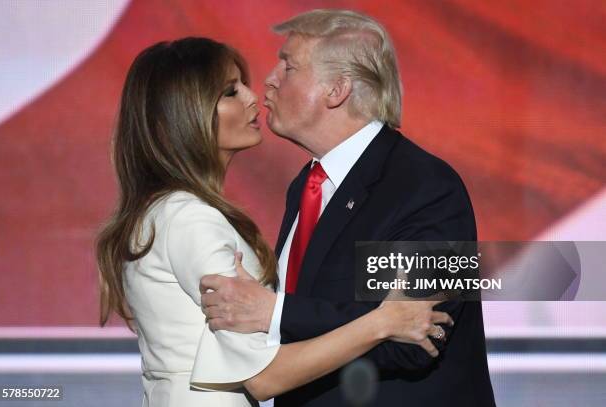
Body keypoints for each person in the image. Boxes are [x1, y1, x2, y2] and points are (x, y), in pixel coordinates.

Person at [95, 37, 452, 407]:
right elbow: (263, 376)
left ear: (339, 89)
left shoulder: (168, 211)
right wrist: (383, 322)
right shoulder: (190, 218)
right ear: (183, 115)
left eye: (290, 68)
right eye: (231, 92)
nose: (254, 96)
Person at [199, 9, 497, 406]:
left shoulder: (428, 188)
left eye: (288, 66)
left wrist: (274, 312)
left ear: (337, 90)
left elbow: (416, 337)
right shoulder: (307, 186)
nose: (269, 79)